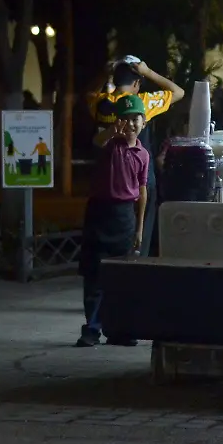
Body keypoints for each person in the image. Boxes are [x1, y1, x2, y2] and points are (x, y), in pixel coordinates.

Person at [88, 59, 185, 257]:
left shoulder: (100, 103)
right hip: (139, 183)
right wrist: (148, 72)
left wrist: (102, 76)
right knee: (139, 240)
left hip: (109, 184)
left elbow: (87, 96)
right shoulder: (141, 104)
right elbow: (179, 92)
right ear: (136, 84)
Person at [77, 95, 151, 348]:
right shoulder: (109, 143)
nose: (130, 124)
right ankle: (91, 330)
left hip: (124, 217)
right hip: (100, 213)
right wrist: (111, 131)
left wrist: (139, 228)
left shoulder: (143, 154)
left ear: (144, 121)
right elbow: (97, 141)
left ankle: (118, 330)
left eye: (135, 118)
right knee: (96, 276)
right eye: (125, 119)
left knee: (121, 279)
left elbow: (142, 191)